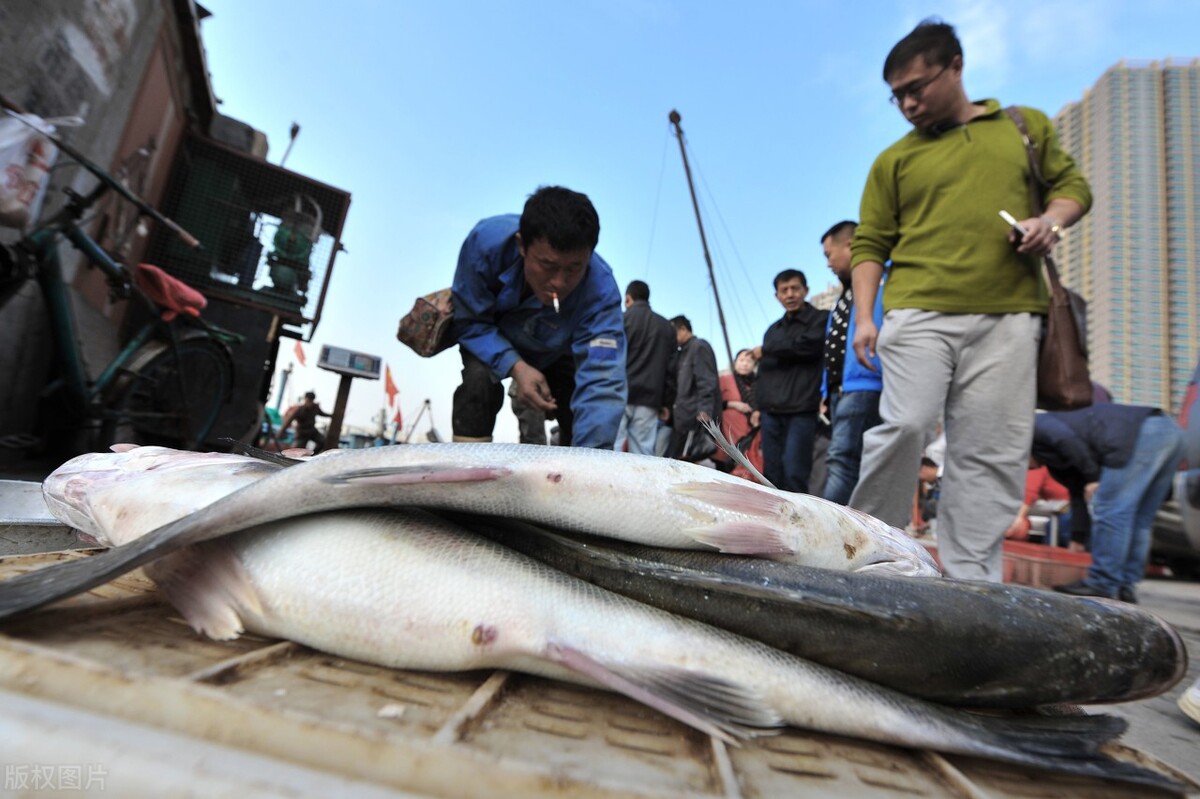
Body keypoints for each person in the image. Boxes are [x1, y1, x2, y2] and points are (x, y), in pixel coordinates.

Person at [847, 19, 1092, 581]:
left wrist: (1048, 222)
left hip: (1009, 317)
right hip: (916, 312)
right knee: (905, 425)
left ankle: (970, 583)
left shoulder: (1021, 126)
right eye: (897, 96)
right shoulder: (894, 160)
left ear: (955, 66)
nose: (907, 104)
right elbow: (871, 242)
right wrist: (866, 316)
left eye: (917, 87)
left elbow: (1073, 187)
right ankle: (866, 557)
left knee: (988, 452)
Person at [449, 186, 626, 448]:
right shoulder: (485, 245)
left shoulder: (601, 293)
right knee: (477, 383)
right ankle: (465, 471)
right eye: (547, 265)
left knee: (575, 407)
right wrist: (516, 366)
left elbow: (602, 381)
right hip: (491, 337)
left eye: (574, 268)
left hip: (559, 353)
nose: (559, 282)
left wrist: (593, 464)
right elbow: (469, 322)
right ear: (522, 245)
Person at [1032, 404, 1185, 603]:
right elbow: (1078, 493)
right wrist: (1077, 536)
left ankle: (1102, 583)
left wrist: (1093, 478)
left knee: (1111, 510)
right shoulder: (1054, 458)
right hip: (1170, 432)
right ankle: (1125, 586)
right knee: (1140, 519)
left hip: (1143, 432)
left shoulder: (1037, 424)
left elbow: (1066, 439)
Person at [819, 220, 884, 505]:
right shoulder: (842, 296)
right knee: (844, 457)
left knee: (842, 459)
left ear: (849, 245)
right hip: (838, 389)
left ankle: (826, 526)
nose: (828, 263)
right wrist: (825, 390)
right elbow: (832, 344)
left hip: (864, 381)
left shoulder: (878, 283)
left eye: (829, 254)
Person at [753, 269, 828, 493]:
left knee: (796, 471)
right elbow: (763, 373)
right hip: (771, 413)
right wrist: (759, 406)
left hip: (801, 410)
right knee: (772, 474)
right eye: (783, 290)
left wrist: (767, 350)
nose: (790, 294)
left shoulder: (820, 319)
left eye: (795, 288)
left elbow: (808, 347)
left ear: (806, 290)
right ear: (777, 296)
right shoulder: (772, 331)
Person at [614, 280, 676, 455]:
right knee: (642, 452)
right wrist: (666, 402)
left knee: (612, 448)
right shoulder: (667, 327)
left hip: (619, 393)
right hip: (650, 399)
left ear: (628, 299)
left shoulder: (621, 319)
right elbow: (671, 370)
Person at [667, 315, 720, 461]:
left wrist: (704, 410)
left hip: (694, 420)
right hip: (683, 419)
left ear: (683, 329)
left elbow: (706, 381)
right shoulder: (682, 353)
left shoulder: (699, 347)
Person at [713, 348, 762, 474]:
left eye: (749, 361)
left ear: (755, 364)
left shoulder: (759, 383)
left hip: (751, 435)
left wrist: (758, 411)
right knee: (724, 469)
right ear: (735, 362)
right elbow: (714, 401)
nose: (745, 364)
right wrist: (732, 404)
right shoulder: (725, 379)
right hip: (728, 433)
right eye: (741, 360)